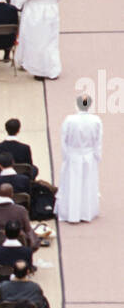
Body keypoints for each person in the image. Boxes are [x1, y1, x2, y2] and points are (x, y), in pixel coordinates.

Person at [11, 0, 62, 80]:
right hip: (50, 11)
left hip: (34, 12)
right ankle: (51, 69)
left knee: (35, 40)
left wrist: (18, 4)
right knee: (50, 41)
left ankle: (37, 69)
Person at [56, 95, 102, 223]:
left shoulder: (70, 120)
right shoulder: (96, 120)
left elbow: (63, 139)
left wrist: (65, 156)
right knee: (87, 183)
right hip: (89, 156)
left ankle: (71, 213)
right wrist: (97, 156)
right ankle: (86, 212)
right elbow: (98, 141)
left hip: (73, 155)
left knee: (72, 184)